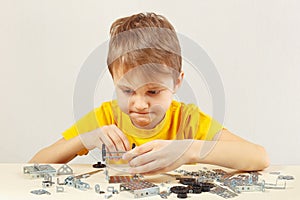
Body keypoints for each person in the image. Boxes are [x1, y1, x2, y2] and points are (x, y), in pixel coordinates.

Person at [30, 12, 269, 175]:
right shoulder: (105, 117)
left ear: (177, 83)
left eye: (153, 91)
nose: (140, 104)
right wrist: (85, 139)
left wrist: (189, 150)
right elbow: (34, 164)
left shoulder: (188, 120)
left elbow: (259, 157)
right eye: (127, 90)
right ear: (114, 81)